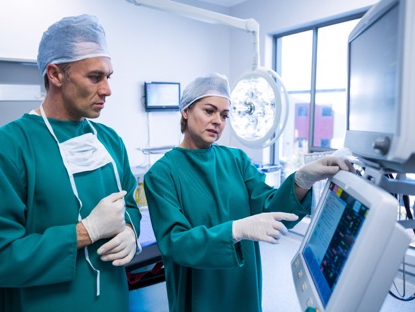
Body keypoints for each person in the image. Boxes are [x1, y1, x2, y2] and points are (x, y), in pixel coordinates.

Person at [0, 14, 141, 312]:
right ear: (56, 75)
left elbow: (130, 204)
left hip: (113, 300)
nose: (108, 89)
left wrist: (130, 231)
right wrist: (85, 232)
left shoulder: (109, 141)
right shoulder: (3, 150)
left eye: (109, 77)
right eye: (95, 77)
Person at [143, 73, 354, 312]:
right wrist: (235, 231)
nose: (217, 121)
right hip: (200, 291)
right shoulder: (161, 174)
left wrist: (301, 179)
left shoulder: (237, 160)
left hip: (243, 284)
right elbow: (174, 242)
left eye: (224, 115)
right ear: (185, 111)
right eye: (209, 111)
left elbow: (271, 208)